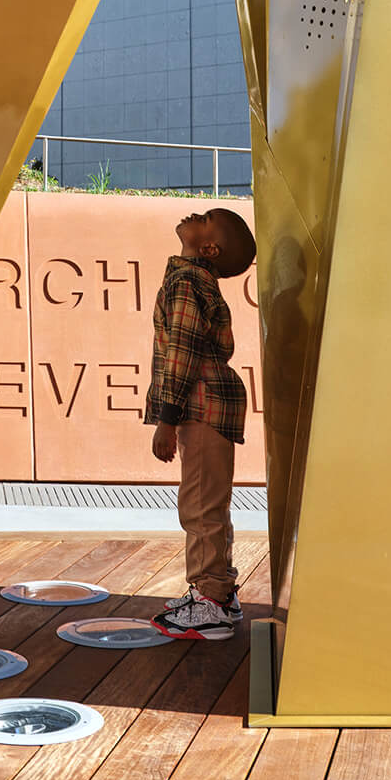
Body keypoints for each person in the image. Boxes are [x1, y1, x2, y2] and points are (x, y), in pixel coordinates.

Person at [146, 206, 256, 640]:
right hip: (209, 405)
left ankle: (209, 602)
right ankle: (220, 594)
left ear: (208, 247)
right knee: (208, 502)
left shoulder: (187, 281)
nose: (194, 213)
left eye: (205, 217)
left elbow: (183, 351)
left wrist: (166, 420)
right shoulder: (191, 279)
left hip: (200, 405)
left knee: (199, 505)